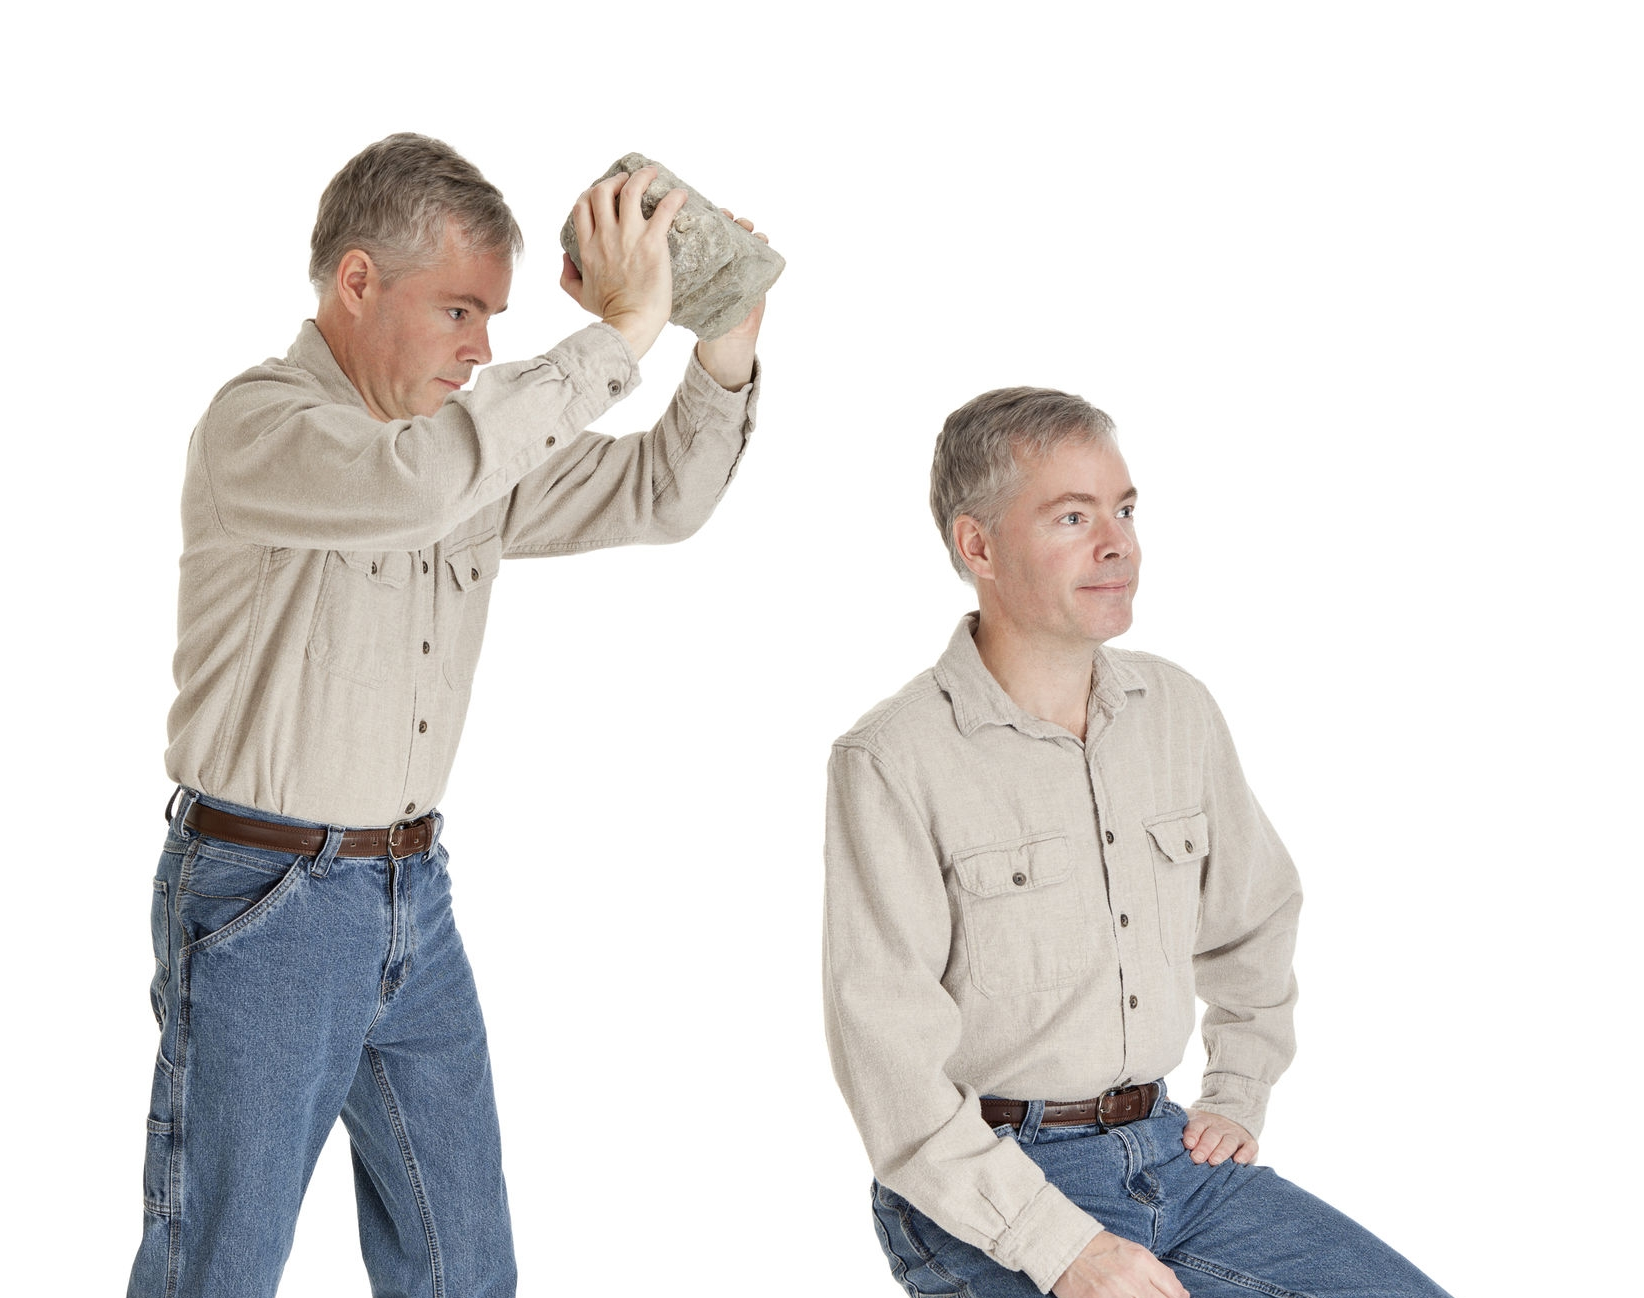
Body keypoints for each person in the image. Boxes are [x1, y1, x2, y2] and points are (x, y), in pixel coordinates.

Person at [131, 133, 766, 1298]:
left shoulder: (463, 451)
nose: (483, 352)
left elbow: (662, 495)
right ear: (357, 281)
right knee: (214, 1268)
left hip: (409, 897)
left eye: (496, 320)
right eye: (461, 311)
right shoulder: (263, 427)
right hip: (265, 904)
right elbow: (414, 484)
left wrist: (723, 322)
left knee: (462, 1263)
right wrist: (614, 335)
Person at [822, 389, 1449, 1297]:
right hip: (987, 1188)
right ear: (978, 546)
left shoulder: (1174, 712)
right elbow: (891, 1067)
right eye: (1072, 517)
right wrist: (1062, 1247)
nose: (1118, 544)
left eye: (1122, 510)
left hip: (1169, 1151)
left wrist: (1237, 1087)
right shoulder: (892, 759)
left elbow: (1254, 913)